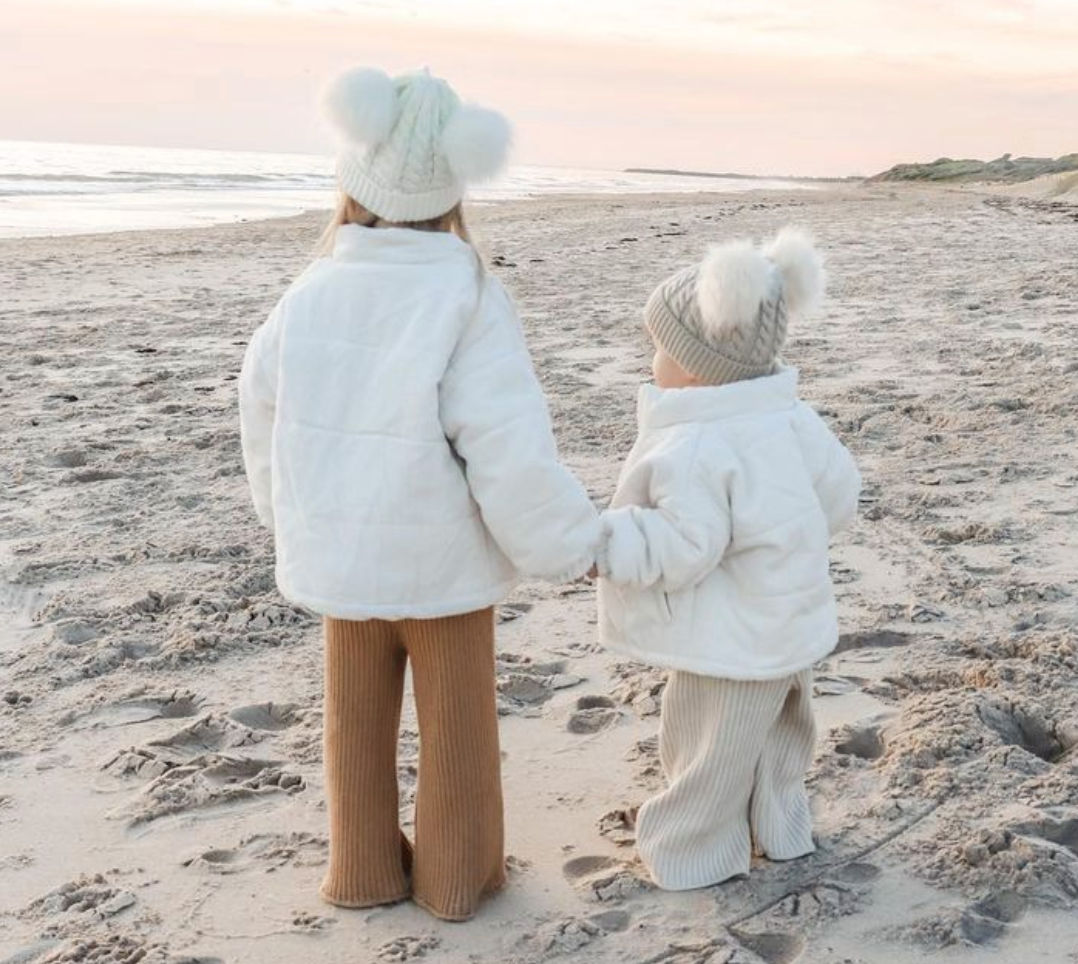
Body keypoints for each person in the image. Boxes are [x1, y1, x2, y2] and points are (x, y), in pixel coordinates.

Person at [238, 66, 599, 921]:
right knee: (459, 728)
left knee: (354, 725)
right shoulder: (467, 292)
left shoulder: (311, 290)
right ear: (453, 195)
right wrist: (563, 543)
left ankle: (361, 871)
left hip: (342, 556)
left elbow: (261, 408)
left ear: (351, 184)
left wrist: (288, 512)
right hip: (440, 565)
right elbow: (505, 445)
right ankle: (455, 878)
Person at [595, 227, 861, 890]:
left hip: (731, 638)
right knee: (778, 742)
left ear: (695, 365)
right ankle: (782, 831)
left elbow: (684, 547)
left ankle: (692, 851)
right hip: (790, 624)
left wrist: (607, 545)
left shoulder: (697, 443)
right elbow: (839, 494)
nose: (653, 360)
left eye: (659, 347)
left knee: (706, 748)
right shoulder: (790, 415)